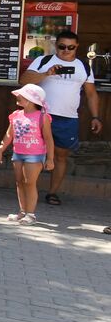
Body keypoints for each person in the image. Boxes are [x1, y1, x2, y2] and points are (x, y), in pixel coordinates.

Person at [22, 29, 102, 206]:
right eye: (62, 46)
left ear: (77, 47)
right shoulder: (44, 61)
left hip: (67, 118)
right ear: (55, 45)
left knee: (61, 156)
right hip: (40, 115)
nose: (66, 50)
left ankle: (52, 193)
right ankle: (27, 192)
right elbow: (23, 80)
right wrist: (46, 73)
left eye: (70, 47)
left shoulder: (84, 66)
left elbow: (91, 94)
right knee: (30, 154)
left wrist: (96, 117)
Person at [0, 83, 53, 225]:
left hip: (35, 155)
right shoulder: (16, 115)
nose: (18, 96)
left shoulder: (42, 117)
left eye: (22, 95)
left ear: (32, 100)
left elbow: (49, 139)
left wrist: (50, 159)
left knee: (30, 183)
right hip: (18, 153)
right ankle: (22, 211)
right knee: (19, 183)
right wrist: (1, 150)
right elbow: (9, 134)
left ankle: (30, 214)